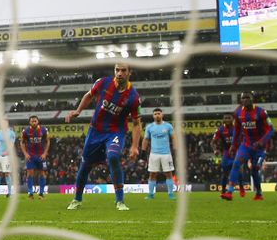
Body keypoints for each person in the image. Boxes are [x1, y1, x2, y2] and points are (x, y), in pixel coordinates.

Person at [64, 63, 141, 211]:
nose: (119, 73)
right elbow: (89, 95)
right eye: (117, 70)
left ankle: (120, 201)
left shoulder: (133, 97)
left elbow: (136, 123)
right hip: (95, 131)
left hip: (115, 132)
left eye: (123, 70)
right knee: (85, 165)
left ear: (129, 72)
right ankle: (77, 199)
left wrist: (135, 146)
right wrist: (78, 110)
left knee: (112, 156)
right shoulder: (103, 82)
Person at [222, 91, 273, 201]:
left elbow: (271, 129)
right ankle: (229, 192)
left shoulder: (261, 112)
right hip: (246, 145)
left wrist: (262, 141)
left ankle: (259, 193)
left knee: (254, 170)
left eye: (247, 97)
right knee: (236, 164)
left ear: (252, 99)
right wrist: (233, 145)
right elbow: (237, 130)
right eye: (243, 98)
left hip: (260, 148)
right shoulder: (238, 112)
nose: (245, 100)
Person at [142, 108, 175, 200]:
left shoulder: (168, 126)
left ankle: (171, 194)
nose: (157, 115)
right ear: (153, 116)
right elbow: (146, 139)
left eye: (158, 113)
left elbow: (173, 138)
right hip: (154, 154)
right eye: (155, 114)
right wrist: (143, 151)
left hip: (166, 154)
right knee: (152, 174)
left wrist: (175, 149)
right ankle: (151, 194)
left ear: (162, 115)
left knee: (168, 173)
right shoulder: (149, 127)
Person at [212, 113, 245, 198]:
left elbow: (244, 138)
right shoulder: (220, 129)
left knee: (239, 170)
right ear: (223, 120)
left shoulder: (238, 128)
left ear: (232, 119)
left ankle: (241, 187)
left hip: (237, 151)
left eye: (228, 118)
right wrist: (215, 149)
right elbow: (213, 142)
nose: (227, 119)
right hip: (226, 153)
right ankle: (223, 191)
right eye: (225, 118)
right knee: (225, 173)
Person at [20, 115, 49, 199]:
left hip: (41, 156)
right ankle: (30, 193)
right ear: (29, 122)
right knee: (30, 173)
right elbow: (22, 142)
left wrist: (45, 153)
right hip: (31, 156)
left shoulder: (44, 130)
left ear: (38, 122)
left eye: (35, 121)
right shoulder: (25, 131)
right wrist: (25, 153)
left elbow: (48, 141)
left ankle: (41, 193)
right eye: (32, 121)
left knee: (42, 174)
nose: (34, 122)